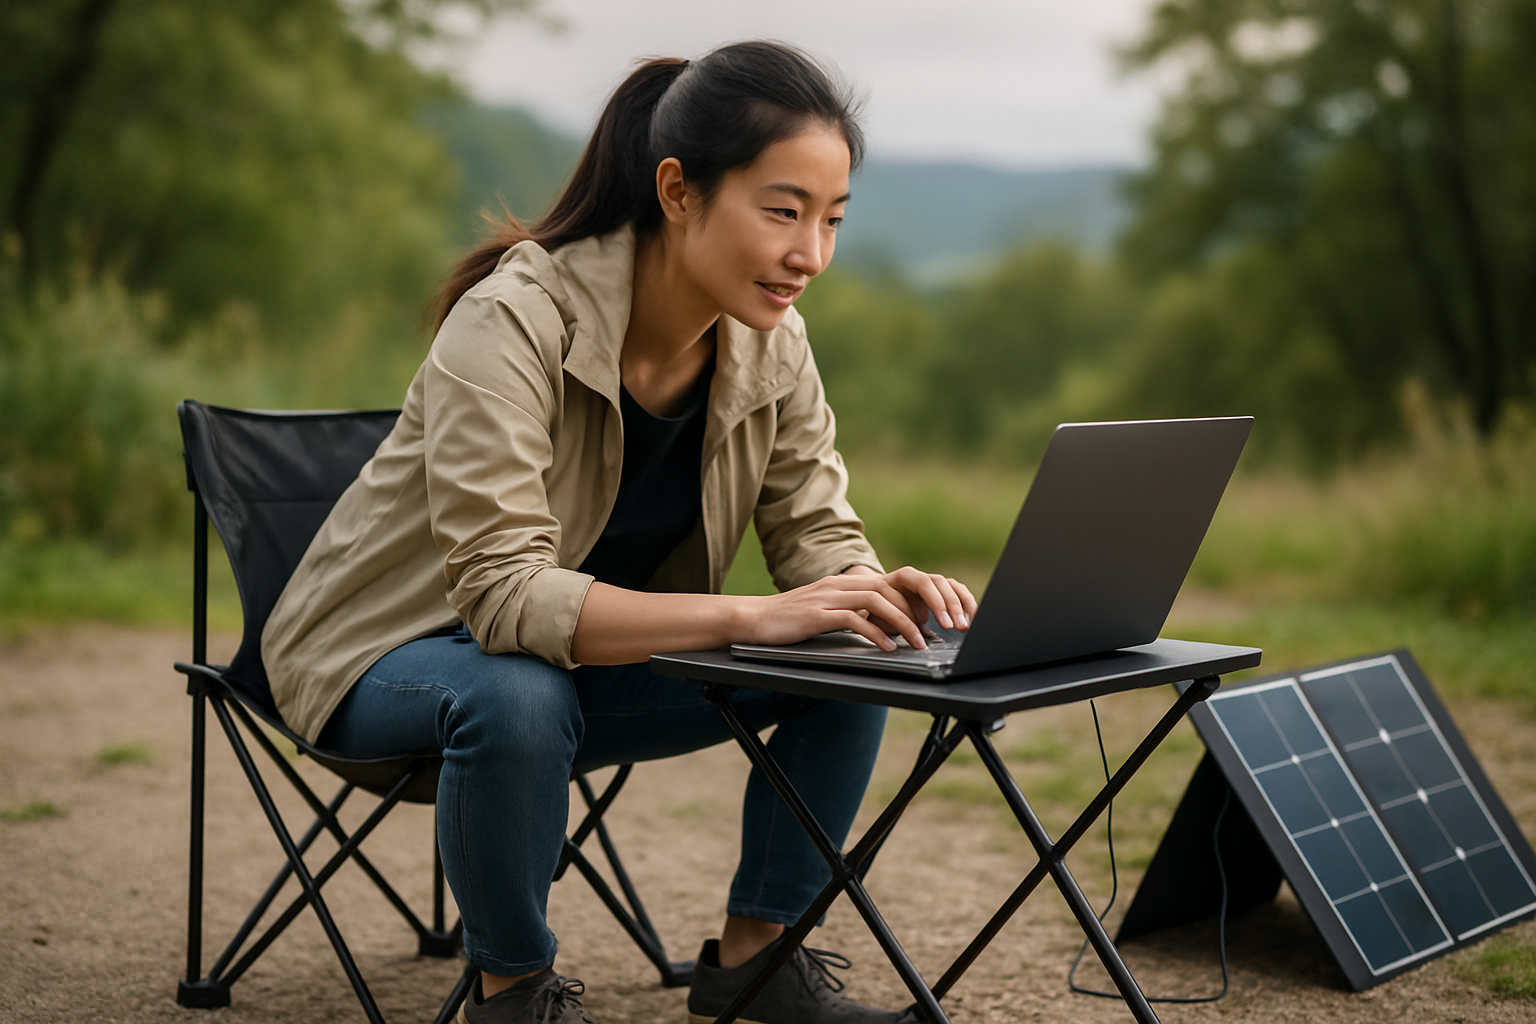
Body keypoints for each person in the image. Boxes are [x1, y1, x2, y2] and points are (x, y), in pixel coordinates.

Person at [262, 40, 977, 1024]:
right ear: (679, 190)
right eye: (783, 210)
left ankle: (756, 962)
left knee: (856, 638)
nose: (810, 253)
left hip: (578, 675)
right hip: (385, 664)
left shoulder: (773, 342)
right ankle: (514, 994)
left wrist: (872, 586)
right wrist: (751, 613)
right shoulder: (513, 320)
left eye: (830, 219)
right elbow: (505, 598)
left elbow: (819, 537)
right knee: (515, 690)